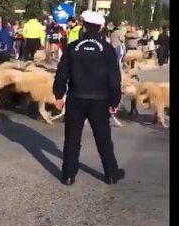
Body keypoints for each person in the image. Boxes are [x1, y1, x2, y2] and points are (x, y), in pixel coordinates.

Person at [53, 10, 125, 186]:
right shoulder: (107, 50)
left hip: (76, 98)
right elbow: (115, 79)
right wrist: (114, 101)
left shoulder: (72, 47)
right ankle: (111, 174)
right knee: (103, 138)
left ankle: (68, 175)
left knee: (72, 138)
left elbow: (62, 73)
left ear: (84, 26)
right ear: (100, 28)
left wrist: (58, 94)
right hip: (100, 100)